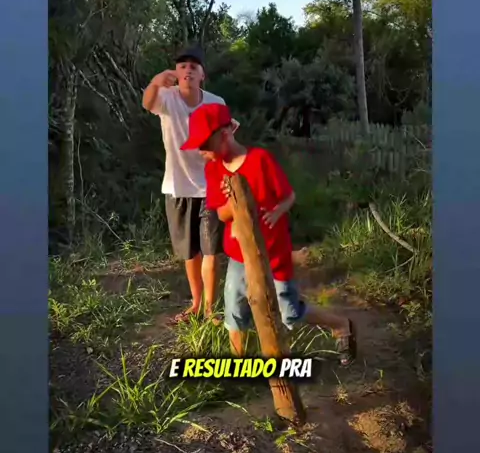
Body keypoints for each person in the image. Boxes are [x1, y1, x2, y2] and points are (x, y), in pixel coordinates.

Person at [180, 101, 357, 365]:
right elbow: (222, 214)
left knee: (289, 312)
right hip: (240, 255)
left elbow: (288, 196)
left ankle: (341, 325)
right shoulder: (213, 169)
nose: (201, 151)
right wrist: (235, 200)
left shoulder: (260, 160)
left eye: (205, 144)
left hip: (274, 251)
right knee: (234, 311)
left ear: (225, 134)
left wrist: (276, 212)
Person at [142, 44, 237, 325]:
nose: (188, 70)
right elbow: (147, 103)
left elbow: (229, 135)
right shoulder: (166, 97)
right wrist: (156, 81)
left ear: (202, 75)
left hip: (211, 186)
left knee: (210, 251)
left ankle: (210, 310)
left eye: (194, 66)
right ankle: (195, 304)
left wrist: (228, 153)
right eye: (182, 66)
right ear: (176, 72)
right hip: (177, 186)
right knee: (189, 252)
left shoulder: (216, 102)